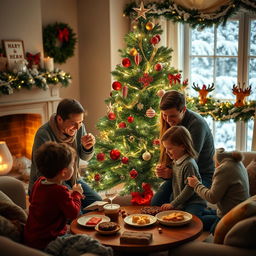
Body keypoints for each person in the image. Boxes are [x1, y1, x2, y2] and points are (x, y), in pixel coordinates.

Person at [28, 98, 102, 210]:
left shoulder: (79, 128)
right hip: (50, 183)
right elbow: (41, 173)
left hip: (72, 178)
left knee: (98, 204)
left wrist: (87, 148)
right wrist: (68, 192)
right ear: (59, 119)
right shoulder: (44, 134)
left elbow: (85, 158)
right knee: (76, 212)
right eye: (73, 123)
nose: (77, 127)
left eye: (80, 122)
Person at [151, 90, 215, 206]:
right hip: (178, 172)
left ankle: (210, 217)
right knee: (156, 203)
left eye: (173, 116)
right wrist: (163, 170)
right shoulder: (167, 121)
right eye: (164, 115)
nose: (168, 120)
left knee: (179, 205)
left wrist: (170, 173)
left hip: (200, 175)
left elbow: (190, 161)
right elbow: (171, 154)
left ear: (183, 110)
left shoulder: (197, 125)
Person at [24, 142, 84, 250]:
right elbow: (73, 213)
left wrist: (68, 195)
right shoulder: (59, 191)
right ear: (64, 173)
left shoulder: (39, 182)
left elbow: (37, 199)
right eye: (72, 165)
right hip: (48, 240)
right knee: (86, 241)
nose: (73, 167)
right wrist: (77, 194)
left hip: (32, 237)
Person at [188, 148, 250, 233]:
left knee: (193, 221)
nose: (214, 166)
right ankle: (212, 214)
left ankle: (214, 219)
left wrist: (196, 184)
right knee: (201, 213)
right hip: (239, 209)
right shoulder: (237, 163)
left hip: (230, 215)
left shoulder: (224, 168)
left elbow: (212, 198)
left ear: (217, 160)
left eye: (214, 163)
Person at [159, 126, 206, 219]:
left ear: (183, 146)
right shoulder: (175, 161)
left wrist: (173, 204)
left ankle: (217, 219)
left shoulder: (189, 164)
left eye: (170, 148)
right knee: (175, 218)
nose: (166, 152)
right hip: (183, 203)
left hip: (194, 202)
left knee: (192, 221)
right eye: (166, 149)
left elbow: (190, 189)